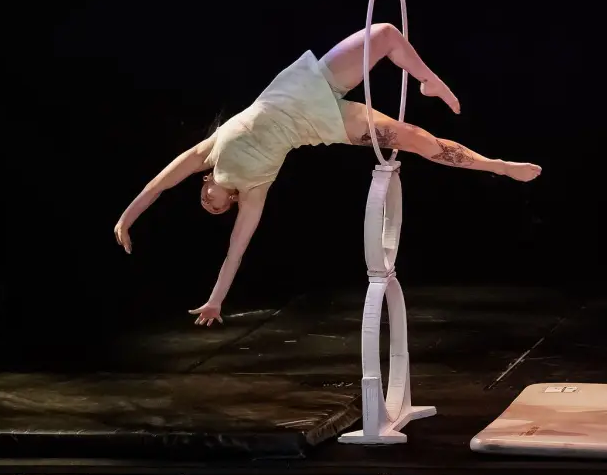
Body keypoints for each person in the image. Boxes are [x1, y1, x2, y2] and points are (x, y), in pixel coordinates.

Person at [114, 24, 542, 327]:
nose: (210, 203)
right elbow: (234, 254)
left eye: (204, 198)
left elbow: (159, 183)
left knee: (387, 34)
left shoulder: (206, 153)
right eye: (216, 209)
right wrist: (215, 300)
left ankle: (429, 81)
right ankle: (497, 166)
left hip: (298, 88)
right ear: (229, 204)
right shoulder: (255, 190)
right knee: (415, 139)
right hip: (321, 124)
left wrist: (126, 219)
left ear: (205, 183)